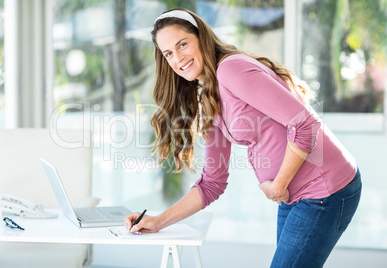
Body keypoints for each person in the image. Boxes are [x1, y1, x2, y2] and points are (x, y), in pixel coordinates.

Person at [124, 8, 362, 267]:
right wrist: (157, 221)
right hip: (293, 194)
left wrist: (279, 184)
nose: (178, 58)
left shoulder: (230, 70)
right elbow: (212, 183)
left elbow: (305, 125)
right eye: (168, 53)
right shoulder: (210, 96)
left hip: (324, 190)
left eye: (182, 44)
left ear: (201, 37)